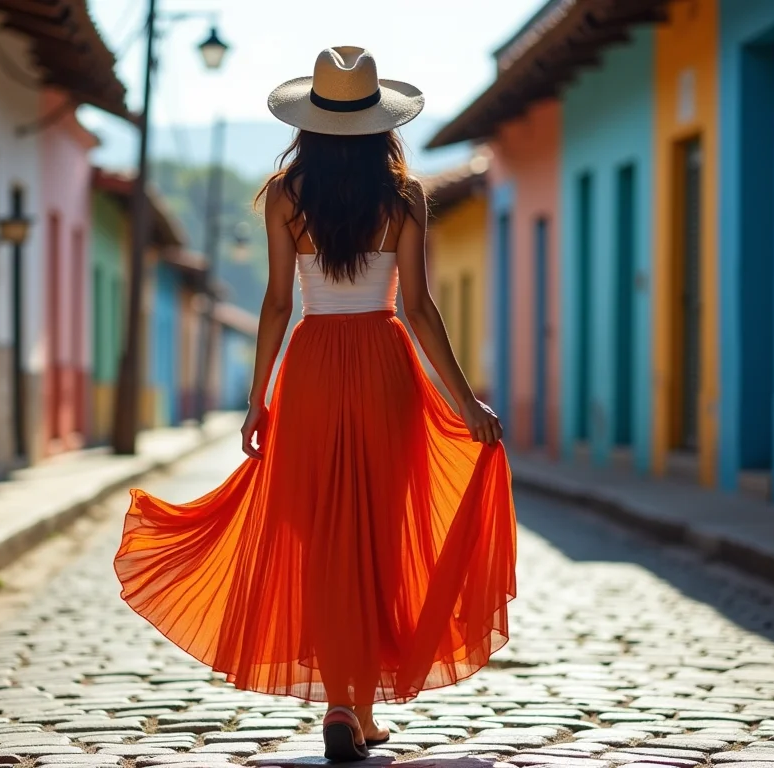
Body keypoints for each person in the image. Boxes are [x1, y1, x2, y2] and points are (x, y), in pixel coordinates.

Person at [114, 46, 517, 763]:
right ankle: (357, 710)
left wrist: (256, 399)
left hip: (311, 370)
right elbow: (419, 309)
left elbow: (275, 304)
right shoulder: (404, 197)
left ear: (310, 122)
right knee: (379, 535)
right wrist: (466, 402)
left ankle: (339, 703)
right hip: (385, 366)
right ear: (379, 123)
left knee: (324, 537)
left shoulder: (283, 194)